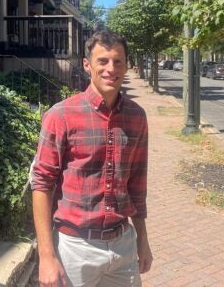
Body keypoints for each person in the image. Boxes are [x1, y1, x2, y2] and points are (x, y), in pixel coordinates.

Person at [31, 30, 152, 287]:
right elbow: (41, 184)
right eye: (103, 61)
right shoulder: (61, 116)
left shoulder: (136, 117)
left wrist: (143, 237)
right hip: (76, 248)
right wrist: (46, 256)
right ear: (87, 65)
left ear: (126, 65)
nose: (111, 68)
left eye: (118, 61)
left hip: (123, 246)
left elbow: (137, 185)